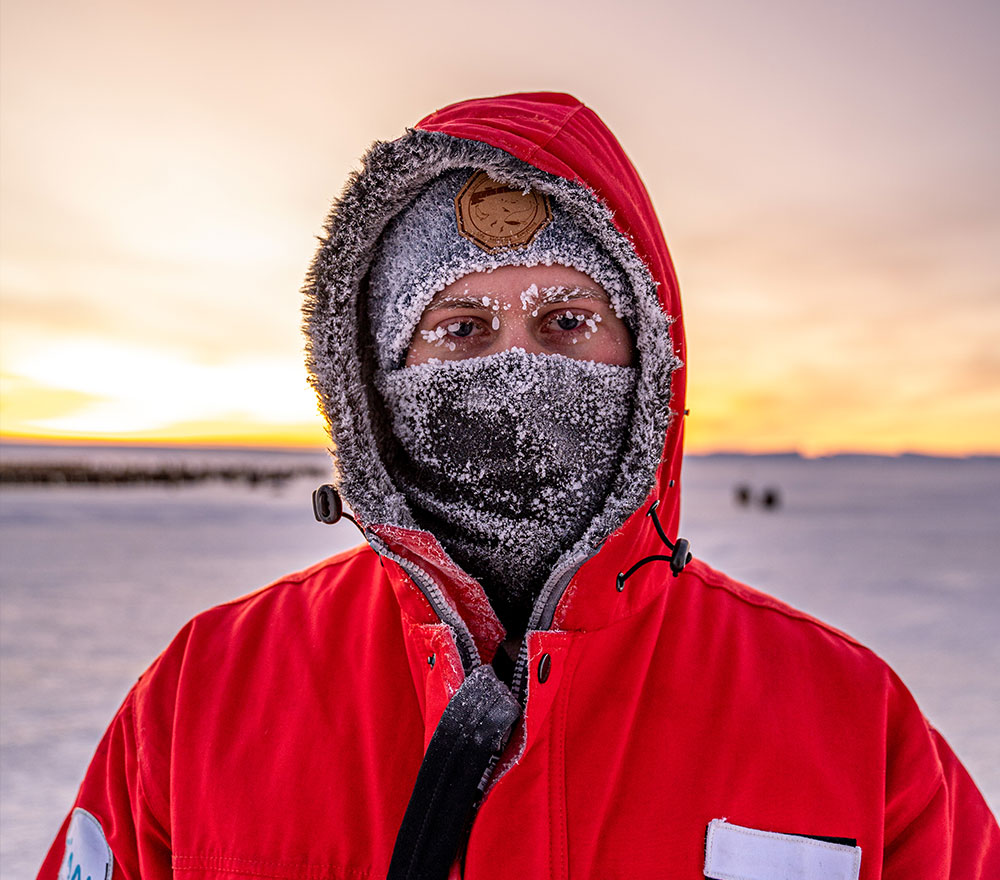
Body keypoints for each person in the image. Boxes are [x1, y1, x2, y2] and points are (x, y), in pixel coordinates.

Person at [41, 92, 998, 880]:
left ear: (650, 357)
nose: (516, 371)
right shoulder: (207, 690)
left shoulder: (849, 718)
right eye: (460, 328)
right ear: (373, 376)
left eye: (567, 322)